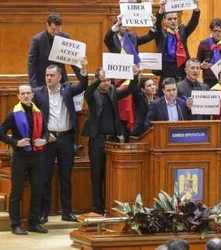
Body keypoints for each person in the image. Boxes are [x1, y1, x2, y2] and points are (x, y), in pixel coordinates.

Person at [33, 58, 88, 224]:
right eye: (46, 75)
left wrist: (83, 70)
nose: (48, 78)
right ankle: (44, 213)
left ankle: (67, 212)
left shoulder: (68, 89)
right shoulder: (38, 93)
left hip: (65, 138)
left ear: (59, 77)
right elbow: (33, 117)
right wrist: (43, 135)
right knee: (45, 177)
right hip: (48, 139)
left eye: (51, 75)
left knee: (66, 176)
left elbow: (83, 86)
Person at [81, 66, 139, 214]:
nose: (106, 83)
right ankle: (97, 207)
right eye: (103, 80)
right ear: (98, 81)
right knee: (97, 174)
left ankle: (110, 205)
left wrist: (134, 76)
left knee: (111, 175)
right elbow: (87, 92)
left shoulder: (113, 91)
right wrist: (96, 80)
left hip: (112, 140)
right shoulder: (92, 94)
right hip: (97, 140)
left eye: (108, 80)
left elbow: (130, 89)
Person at [0, 84, 49, 235]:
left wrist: (44, 140)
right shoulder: (13, 114)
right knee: (17, 191)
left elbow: (46, 130)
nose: (26, 95)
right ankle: (15, 225)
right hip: (20, 157)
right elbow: (1, 132)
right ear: (18, 96)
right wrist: (15, 143)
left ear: (32, 95)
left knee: (38, 190)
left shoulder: (38, 112)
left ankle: (33, 222)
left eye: (28, 93)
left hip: (37, 156)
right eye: (23, 93)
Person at [28, 13, 80, 88]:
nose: (56, 32)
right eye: (53, 29)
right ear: (47, 25)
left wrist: (82, 79)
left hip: (61, 81)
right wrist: (34, 86)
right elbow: (32, 63)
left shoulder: (65, 37)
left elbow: (72, 60)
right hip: (43, 82)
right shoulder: (37, 40)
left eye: (58, 29)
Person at [154, 0, 200, 82]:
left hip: (181, 71)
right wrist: (161, 10)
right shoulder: (160, 33)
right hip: (166, 72)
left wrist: (196, 8)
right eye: (170, 19)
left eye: (175, 18)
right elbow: (157, 24)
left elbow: (193, 24)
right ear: (164, 21)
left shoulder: (182, 30)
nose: (173, 21)